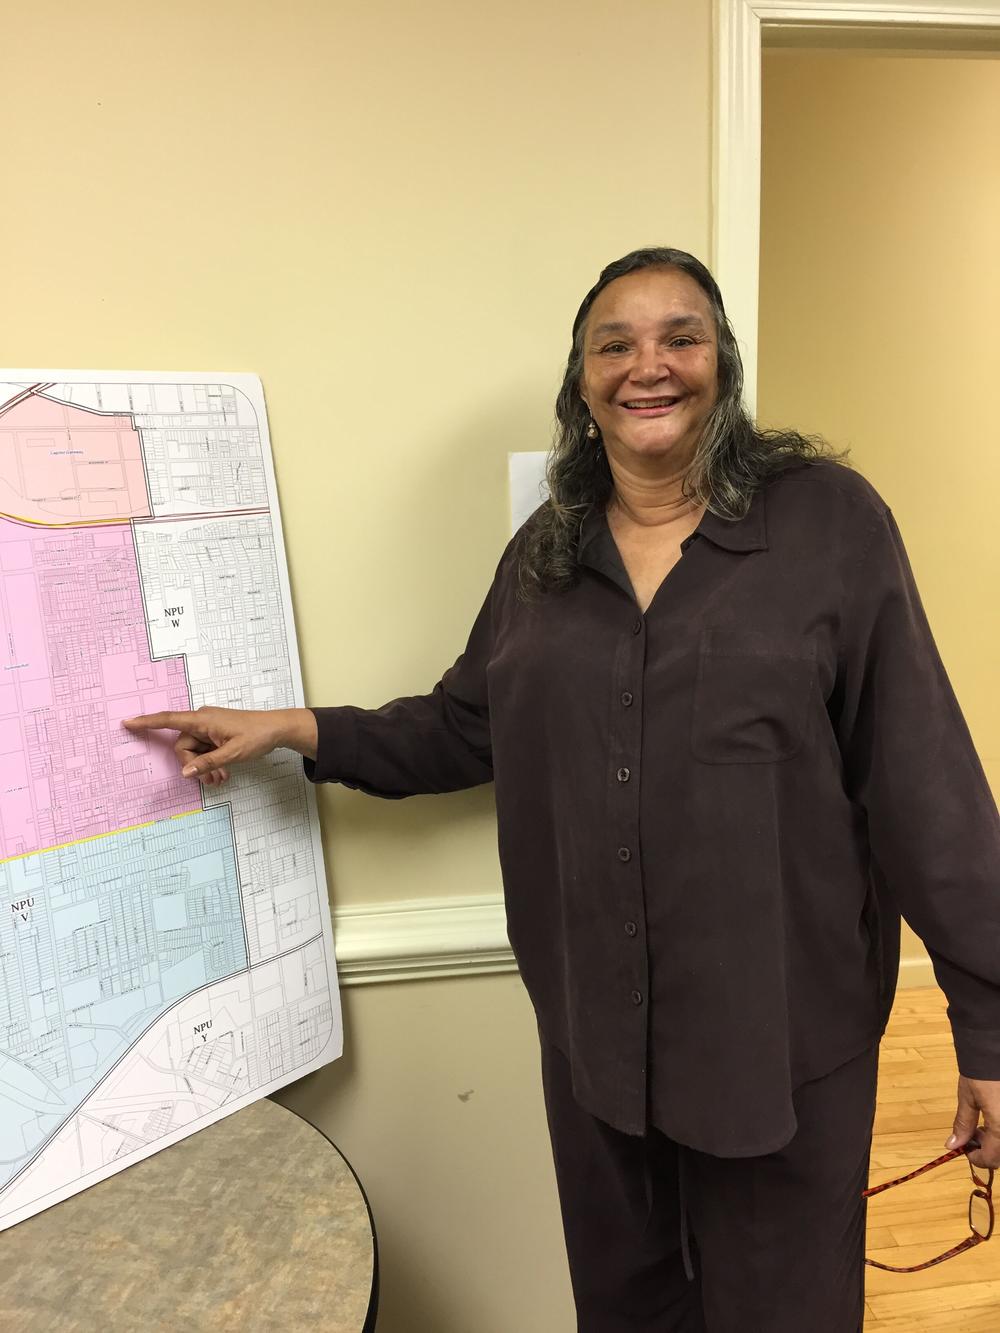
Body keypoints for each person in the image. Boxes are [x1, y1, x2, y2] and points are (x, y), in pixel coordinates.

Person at [124, 247, 1000, 1332]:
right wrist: (293, 729)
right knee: (627, 1311)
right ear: (582, 384)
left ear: (721, 362)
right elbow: (458, 727)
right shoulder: (544, 554)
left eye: (680, 336)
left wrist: (987, 1025)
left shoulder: (829, 524)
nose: (649, 364)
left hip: (778, 1043)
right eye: (614, 343)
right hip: (600, 1045)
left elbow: (924, 783)